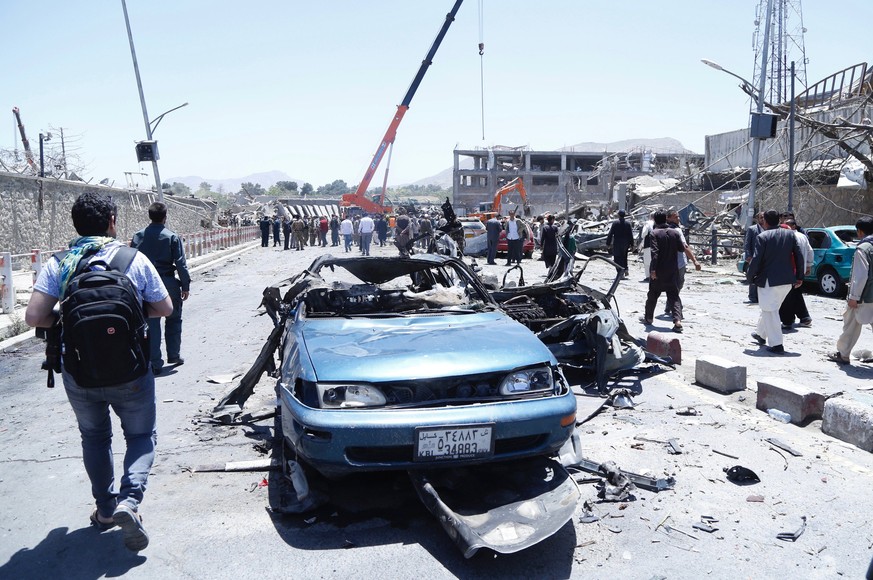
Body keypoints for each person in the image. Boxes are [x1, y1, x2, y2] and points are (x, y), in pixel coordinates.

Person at [25, 192, 173, 551]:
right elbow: (164, 307)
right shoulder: (131, 259)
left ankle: (106, 510)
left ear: (75, 225)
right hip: (131, 370)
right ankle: (130, 501)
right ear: (112, 222)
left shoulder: (60, 263)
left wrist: (67, 319)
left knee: (94, 438)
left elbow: (34, 317)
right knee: (140, 437)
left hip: (79, 371)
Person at [131, 202, 192, 375]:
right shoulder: (171, 237)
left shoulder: (138, 236)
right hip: (168, 283)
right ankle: (174, 355)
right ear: (165, 217)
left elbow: (131, 262)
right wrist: (185, 285)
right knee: (174, 319)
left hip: (146, 285)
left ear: (149, 216)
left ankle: (155, 362)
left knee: (152, 323)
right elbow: (181, 263)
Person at [746, 209, 804, 354]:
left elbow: (757, 259)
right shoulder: (790, 234)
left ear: (764, 221)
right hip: (787, 280)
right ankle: (760, 334)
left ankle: (777, 344)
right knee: (771, 307)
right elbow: (799, 256)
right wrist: (800, 277)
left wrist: (750, 276)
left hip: (768, 280)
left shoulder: (762, 236)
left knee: (770, 310)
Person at [828, 216, 873, 364]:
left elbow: (860, 276)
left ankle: (843, 354)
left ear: (860, 232)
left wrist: (854, 296)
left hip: (865, 297)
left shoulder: (863, 249)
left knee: (851, 325)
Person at [641, 210, 684, 332]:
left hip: (659, 270)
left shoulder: (654, 234)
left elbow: (655, 252)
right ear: (666, 219)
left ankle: (649, 318)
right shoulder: (675, 233)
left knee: (653, 295)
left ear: (655, 220)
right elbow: (681, 248)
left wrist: (653, 270)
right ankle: (677, 321)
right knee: (673, 296)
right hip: (672, 270)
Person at [665, 209, 702, 318]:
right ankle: (677, 310)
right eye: (675, 217)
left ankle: (670, 303)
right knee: (675, 286)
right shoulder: (675, 230)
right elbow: (685, 247)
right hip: (675, 263)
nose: (678, 219)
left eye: (678, 217)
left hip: (677, 262)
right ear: (668, 218)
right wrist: (695, 261)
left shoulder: (673, 229)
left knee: (677, 285)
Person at [778, 219, 813, 329]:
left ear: (793, 226)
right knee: (796, 294)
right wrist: (808, 265)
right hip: (798, 271)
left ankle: (788, 320)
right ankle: (804, 317)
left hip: (790, 272)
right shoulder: (802, 236)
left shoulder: (788, 238)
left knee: (786, 297)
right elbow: (810, 251)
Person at [743, 212, 765, 303]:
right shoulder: (752, 229)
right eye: (761, 217)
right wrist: (748, 256)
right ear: (757, 219)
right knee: (753, 277)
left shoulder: (768, 229)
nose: (763, 219)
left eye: (764, 217)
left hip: (765, 257)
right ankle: (753, 297)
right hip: (754, 257)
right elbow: (747, 243)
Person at [606, 209, 634, 277]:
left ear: (618, 215)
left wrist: (608, 243)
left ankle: (620, 272)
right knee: (624, 257)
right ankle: (626, 269)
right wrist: (632, 244)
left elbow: (610, 234)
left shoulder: (615, 223)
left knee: (617, 258)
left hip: (617, 243)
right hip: (625, 243)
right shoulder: (628, 224)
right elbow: (630, 234)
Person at [637, 214, 655, 281]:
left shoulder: (648, 223)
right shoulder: (659, 223)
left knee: (647, 262)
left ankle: (648, 276)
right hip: (656, 245)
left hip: (648, 245)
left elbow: (643, 233)